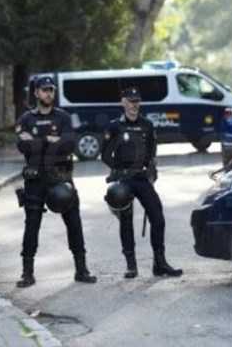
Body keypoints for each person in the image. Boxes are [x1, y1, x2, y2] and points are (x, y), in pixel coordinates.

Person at [15, 76, 96, 288]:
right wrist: (49, 141)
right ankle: (27, 273)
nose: (48, 93)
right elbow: (22, 146)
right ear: (36, 93)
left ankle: (81, 269)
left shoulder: (63, 117)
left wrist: (37, 142)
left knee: (74, 223)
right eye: (44, 90)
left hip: (61, 175)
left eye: (51, 89)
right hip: (35, 178)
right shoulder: (26, 119)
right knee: (31, 226)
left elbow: (69, 144)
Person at [101, 86, 182, 279]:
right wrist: (117, 170)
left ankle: (159, 263)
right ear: (123, 103)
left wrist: (152, 169)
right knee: (126, 221)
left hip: (142, 178)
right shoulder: (114, 126)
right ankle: (131, 265)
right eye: (130, 102)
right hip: (123, 180)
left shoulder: (147, 125)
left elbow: (152, 151)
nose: (134, 105)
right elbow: (105, 155)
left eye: (136, 102)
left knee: (158, 218)